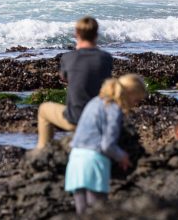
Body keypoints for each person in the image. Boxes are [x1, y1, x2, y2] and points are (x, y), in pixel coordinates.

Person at [64, 74, 147, 215]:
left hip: (75, 161)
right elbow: (107, 145)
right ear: (129, 93)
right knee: (99, 212)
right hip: (93, 163)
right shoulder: (113, 108)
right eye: (136, 100)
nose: (135, 105)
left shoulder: (95, 101)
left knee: (82, 213)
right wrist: (122, 156)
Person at [36, 16, 113, 149]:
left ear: (76, 34)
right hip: (98, 118)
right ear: (96, 34)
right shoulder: (106, 58)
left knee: (43, 109)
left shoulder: (68, 57)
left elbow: (64, 78)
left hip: (75, 119)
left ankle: (43, 150)